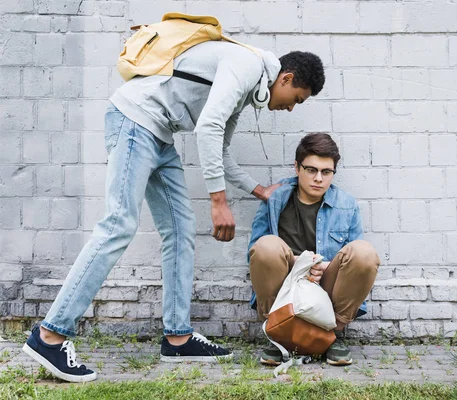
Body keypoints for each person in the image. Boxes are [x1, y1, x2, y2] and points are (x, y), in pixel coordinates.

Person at [22, 35, 325, 382]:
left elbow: (220, 149)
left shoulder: (245, 88)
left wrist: (258, 190)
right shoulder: (246, 65)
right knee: (118, 226)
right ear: (285, 79)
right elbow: (207, 127)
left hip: (158, 134)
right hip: (135, 122)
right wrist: (218, 201)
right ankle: (51, 334)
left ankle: (178, 337)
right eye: (296, 100)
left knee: (181, 230)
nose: (291, 107)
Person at [248, 133, 380, 366]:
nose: (318, 178)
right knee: (266, 246)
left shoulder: (346, 204)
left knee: (365, 253)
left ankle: (331, 336)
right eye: (311, 170)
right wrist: (299, 264)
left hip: (326, 287)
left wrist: (326, 266)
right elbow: (254, 251)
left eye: (326, 172)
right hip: (288, 284)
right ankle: (279, 333)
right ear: (297, 168)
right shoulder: (275, 199)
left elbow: (354, 262)